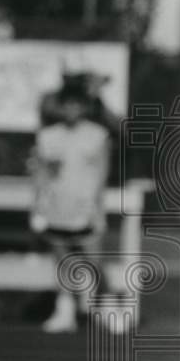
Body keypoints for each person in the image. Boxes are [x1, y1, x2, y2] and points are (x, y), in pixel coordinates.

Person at [31, 81, 110, 334]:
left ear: (84, 107)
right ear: (61, 107)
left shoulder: (97, 135)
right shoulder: (48, 136)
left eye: (76, 105)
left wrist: (97, 207)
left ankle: (93, 308)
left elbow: (102, 172)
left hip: (86, 207)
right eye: (67, 105)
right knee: (62, 261)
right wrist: (38, 208)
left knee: (93, 260)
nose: (71, 110)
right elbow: (41, 173)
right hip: (57, 206)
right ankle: (64, 310)